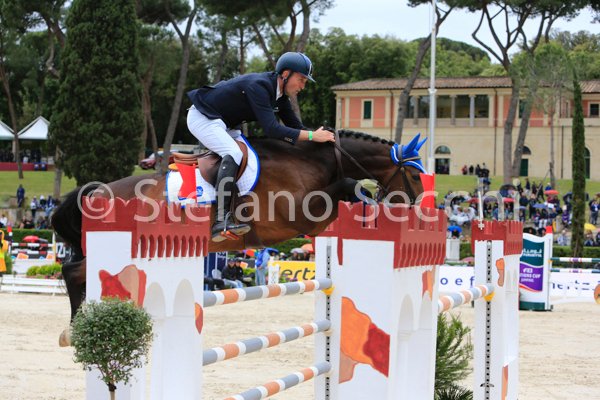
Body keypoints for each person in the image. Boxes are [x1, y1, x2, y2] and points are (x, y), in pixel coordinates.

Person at [186, 52, 335, 242]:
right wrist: (313, 136)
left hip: (226, 124)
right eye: (301, 80)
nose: (303, 86)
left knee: (251, 156)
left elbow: (297, 128)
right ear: (286, 74)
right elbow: (272, 129)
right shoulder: (259, 87)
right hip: (203, 118)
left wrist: (321, 140)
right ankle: (221, 221)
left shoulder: (280, 98)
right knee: (234, 153)